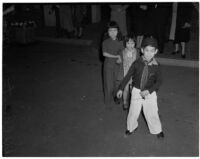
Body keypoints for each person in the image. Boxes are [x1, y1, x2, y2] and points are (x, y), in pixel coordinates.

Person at [116, 37, 164, 139]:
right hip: (137, 91)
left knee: (152, 112)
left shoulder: (157, 66)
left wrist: (149, 90)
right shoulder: (137, 63)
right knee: (133, 111)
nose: (149, 53)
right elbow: (128, 75)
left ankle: (157, 129)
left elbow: (159, 81)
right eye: (146, 50)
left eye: (152, 51)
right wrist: (121, 88)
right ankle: (131, 127)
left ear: (156, 51)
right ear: (142, 50)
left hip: (150, 92)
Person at [102, 21, 124, 110]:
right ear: (107, 32)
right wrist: (116, 56)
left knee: (117, 83)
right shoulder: (105, 42)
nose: (112, 32)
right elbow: (104, 53)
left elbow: (122, 52)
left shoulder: (121, 42)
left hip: (118, 65)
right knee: (108, 84)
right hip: (108, 66)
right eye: (110, 30)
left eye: (114, 30)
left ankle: (116, 97)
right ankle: (107, 102)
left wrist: (121, 58)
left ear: (118, 31)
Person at [121, 35, 139, 110]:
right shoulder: (122, 52)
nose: (130, 45)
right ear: (125, 43)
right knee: (126, 89)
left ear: (135, 43)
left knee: (133, 90)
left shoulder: (137, 51)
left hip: (134, 73)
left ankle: (133, 103)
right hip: (126, 73)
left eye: (132, 43)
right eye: (128, 43)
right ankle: (125, 102)